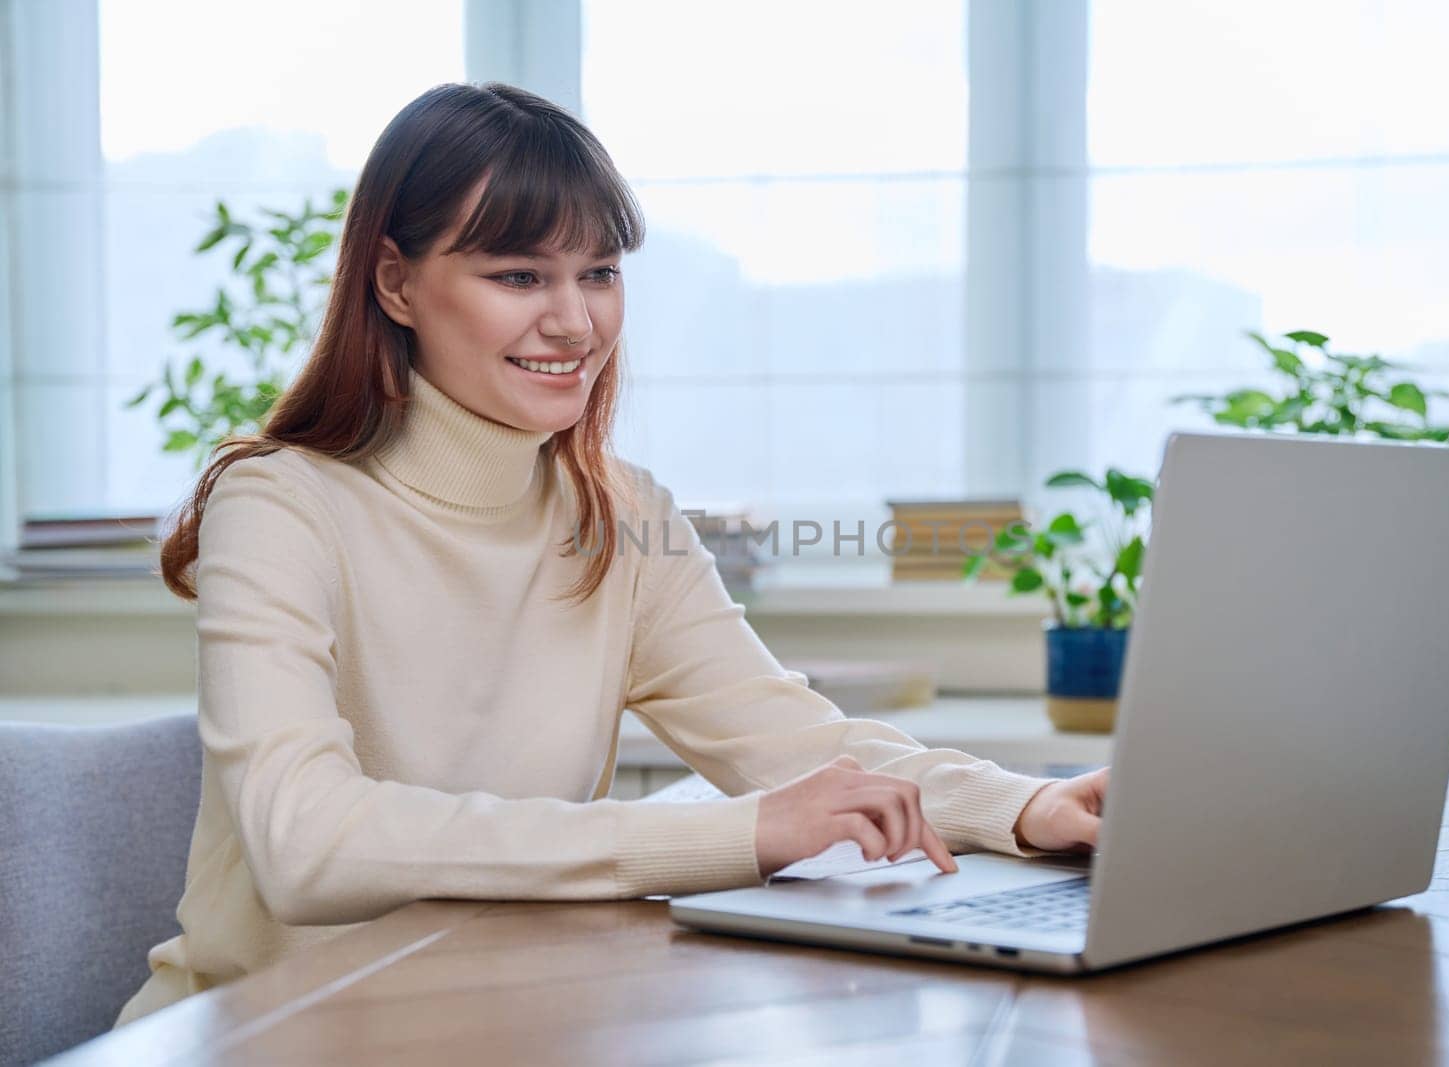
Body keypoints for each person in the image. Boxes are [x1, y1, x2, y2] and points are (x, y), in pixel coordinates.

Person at [115, 82, 1110, 1026]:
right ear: (395, 282)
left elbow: (798, 745)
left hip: (487, 1019)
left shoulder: (622, 515)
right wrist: (738, 833)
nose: (575, 320)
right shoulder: (282, 503)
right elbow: (309, 844)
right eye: (518, 275)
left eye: (598, 272)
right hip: (262, 1032)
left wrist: (1023, 804)